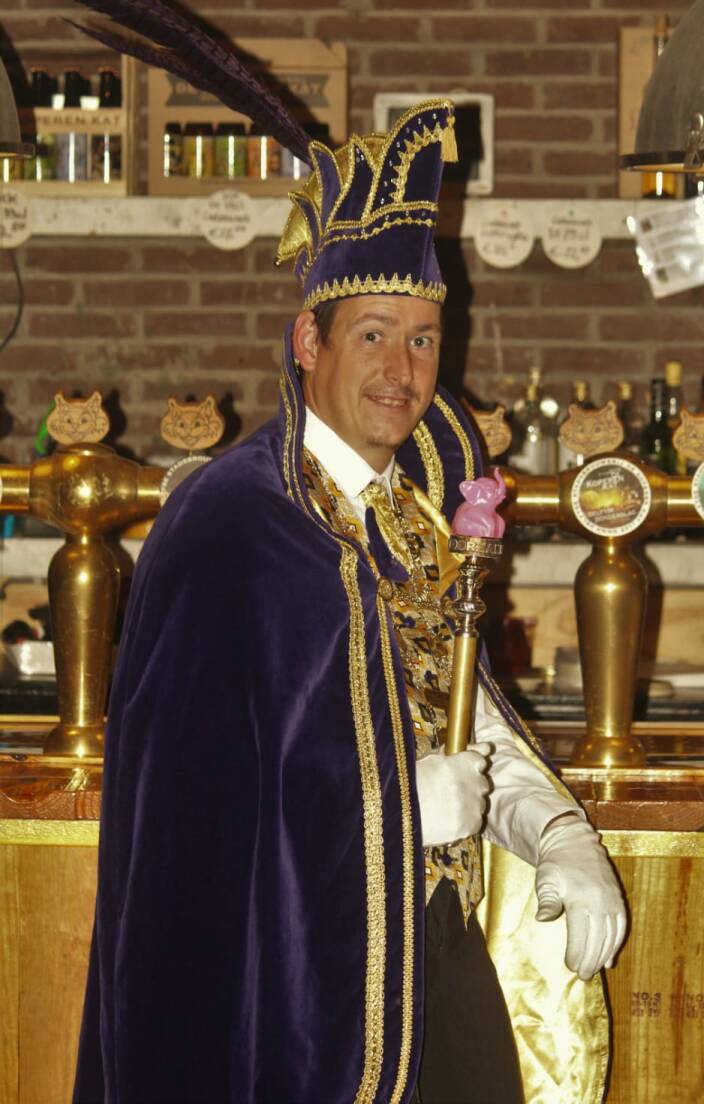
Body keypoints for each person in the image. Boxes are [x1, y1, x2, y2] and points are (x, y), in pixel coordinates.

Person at [72, 99, 625, 1104]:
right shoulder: (227, 522)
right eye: (372, 334)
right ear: (307, 340)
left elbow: (461, 714)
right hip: (289, 1001)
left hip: (436, 963)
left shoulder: (412, 515)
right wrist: (394, 811)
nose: (401, 371)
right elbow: (182, 812)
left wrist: (555, 829)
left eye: (423, 340)